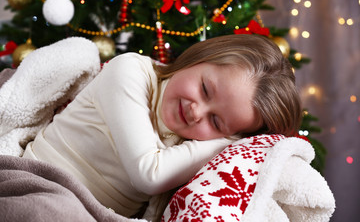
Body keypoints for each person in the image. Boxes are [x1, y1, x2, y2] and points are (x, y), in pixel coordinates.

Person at [23, 34, 302, 217]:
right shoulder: (130, 72)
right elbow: (148, 174)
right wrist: (223, 141)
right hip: (39, 179)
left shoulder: (192, 145)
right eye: (205, 89)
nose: (196, 111)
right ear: (197, 58)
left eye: (216, 121)